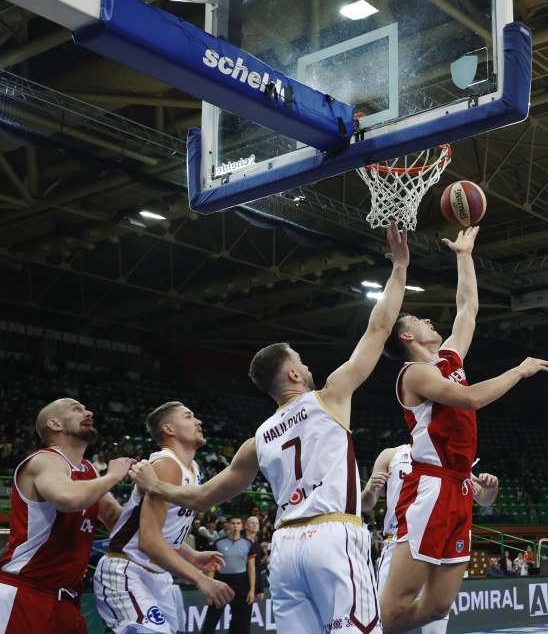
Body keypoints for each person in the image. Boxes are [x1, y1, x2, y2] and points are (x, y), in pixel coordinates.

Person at [129, 222, 410, 634]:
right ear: (294, 374)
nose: (308, 367)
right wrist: (399, 267)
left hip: (284, 547)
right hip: (333, 533)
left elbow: (204, 495)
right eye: (302, 362)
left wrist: (156, 486)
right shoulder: (330, 396)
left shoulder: (257, 440)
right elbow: (380, 328)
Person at [378, 227, 548, 633]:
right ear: (407, 336)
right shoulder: (414, 373)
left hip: (458, 487)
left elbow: (468, 308)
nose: (428, 319)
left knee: (439, 607)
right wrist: (518, 371)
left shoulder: (448, 358)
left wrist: (464, 255)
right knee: (393, 608)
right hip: (430, 486)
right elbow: (470, 399)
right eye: (418, 319)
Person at [96, 402, 231, 634]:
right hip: (128, 568)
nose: (198, 421)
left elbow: (161, 532)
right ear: (169, 429)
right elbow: (148, 541)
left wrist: (192, 555)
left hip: (158, 575)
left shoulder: (193, 468)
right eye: (188, 416)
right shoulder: (166, 465)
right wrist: (201, 579)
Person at [0, 399, 133, 633]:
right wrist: (113, 476)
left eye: (86, 408)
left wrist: (151, 493)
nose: (89, 412)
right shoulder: (44, 460)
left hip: (67, 599)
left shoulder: (89, 469)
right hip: (25, 594)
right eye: (76, 409)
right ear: (55, 424)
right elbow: (68, 499)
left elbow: (116, 518)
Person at [362, 443, 499, 634]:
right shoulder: (390, 455)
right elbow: (366, 504)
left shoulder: (450, 458)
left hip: (437, 549)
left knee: (434, 627)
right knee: (386, 622)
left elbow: (483, 498)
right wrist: (369, 490)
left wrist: (491, 488)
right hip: (398, 543)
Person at [201, 518, 256, 634]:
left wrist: (252, 590)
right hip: (222, 582)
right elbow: (212, 567)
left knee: (241, 621)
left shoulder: (248, 543)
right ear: (228, 526)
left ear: (242, 526)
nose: (235, 526)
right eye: (233, 523)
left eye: (238, 523)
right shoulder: (218, 543)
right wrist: (209, 590)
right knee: (211, 619)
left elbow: (251, 568)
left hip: (242, 583)